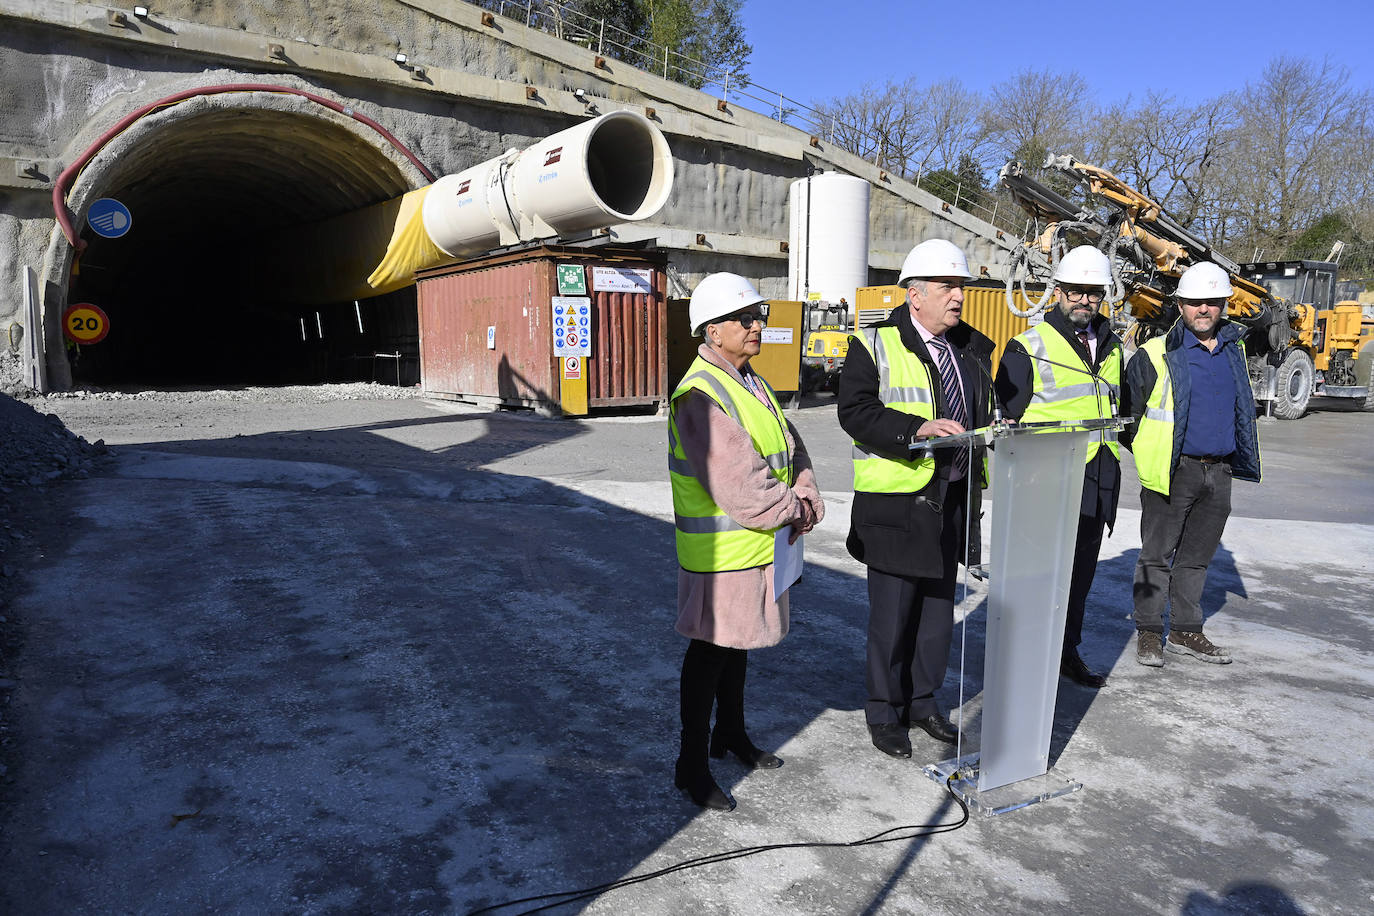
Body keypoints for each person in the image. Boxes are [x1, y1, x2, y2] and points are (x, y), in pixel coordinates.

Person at [668, 272, 825, 811]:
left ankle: (729, 734)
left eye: (759, 316)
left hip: (757, 549)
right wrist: (797, 510)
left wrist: (805, 484)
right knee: (711, 653)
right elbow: (743, 488)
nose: (758, 325)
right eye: (746, 319)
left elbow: (788, 443)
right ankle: (690, 766)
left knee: (738, 650)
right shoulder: (700, 396)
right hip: (723, 554)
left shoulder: (748, 379)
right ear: (713, 331)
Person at [837, 238, 994, 759]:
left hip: (952, 499)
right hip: (897, 504)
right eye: (948, 287)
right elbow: (855, 412)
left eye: (961, 287)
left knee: (935, 613)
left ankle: (923, 703)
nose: (958, 297)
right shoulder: (873, 344)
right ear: (915, 295)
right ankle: (884, 711)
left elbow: (982, 413)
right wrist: (916, 427)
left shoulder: (971, 349)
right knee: (892, 617)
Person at [1120, 261, 1261, 667]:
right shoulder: (1155, 354)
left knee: (1197, 556)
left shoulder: (1234, 350)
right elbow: (1129, 419)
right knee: (1156, 556)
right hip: (1172, 470)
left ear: (1223, 306)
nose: (1204, 309)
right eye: (1195, 302)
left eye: (1212, 302)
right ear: (1180, 304)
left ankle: (1186, 630)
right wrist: (1154, 455)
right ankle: (1149, 632)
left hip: (1219, 470)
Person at [994, 246, 1122, 689]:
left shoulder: (1112, 346)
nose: (1083, 300)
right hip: (1047, 484)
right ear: (1057, 292)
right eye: (1074, 291)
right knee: (1039, 581)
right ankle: (1029, 661)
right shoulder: (1027, 347)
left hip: (1096, 481)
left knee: (1078, 580)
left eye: (1092, 293)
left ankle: (1067, 653)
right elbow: (1005, 425)